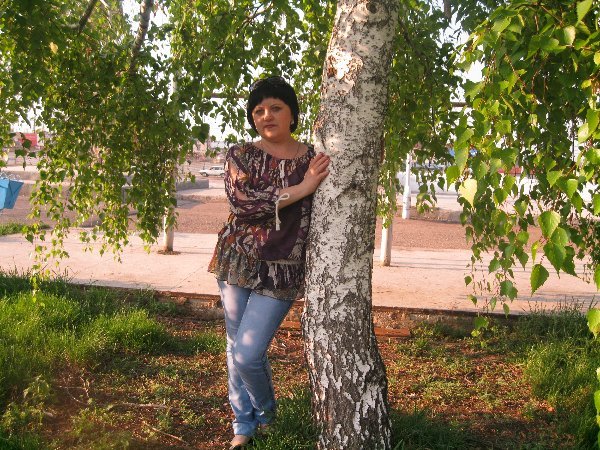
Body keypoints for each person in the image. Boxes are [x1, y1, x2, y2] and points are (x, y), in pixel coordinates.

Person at [208, 76, 330, 449]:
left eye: (276, 107)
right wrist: (303, 189)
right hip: (238, 260)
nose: (266, 115)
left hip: (283, 268)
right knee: (235, 347)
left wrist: (303, 185)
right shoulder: (240, 155)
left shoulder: (314, 158)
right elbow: (242, 203)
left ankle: (267, 415)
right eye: (258, 110)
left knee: (247, 353)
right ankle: (243, 424)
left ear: (292, 113)